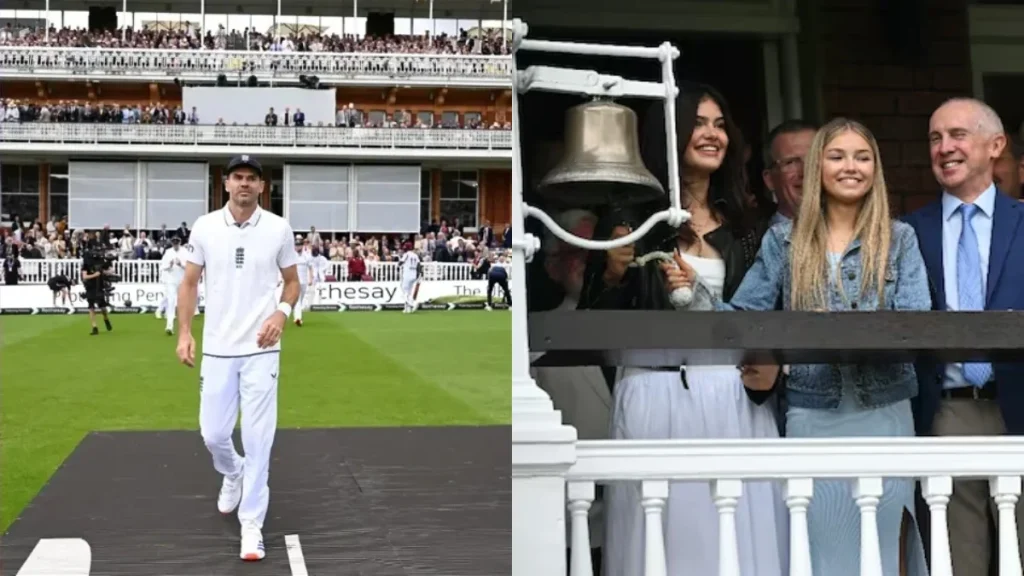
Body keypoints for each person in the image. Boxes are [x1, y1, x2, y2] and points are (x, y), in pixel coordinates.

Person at [674, 118, 931, 576]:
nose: (850, 166)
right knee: (822, 552)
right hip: (813, 415)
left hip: (886, 412)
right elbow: (745, 320)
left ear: (876, 169)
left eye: (862, 156)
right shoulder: (783, 241)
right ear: (817, 168)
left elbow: (915, 324)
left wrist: (836, 332)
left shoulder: (899, 239)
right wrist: (697, 291)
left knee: (884, 547)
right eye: (837, 156)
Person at [581, 82, 786, 576]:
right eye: (698, 123)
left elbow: (768, 311)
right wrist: (611, 273)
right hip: (656, 391)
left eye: (720, 124)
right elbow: (592, 324)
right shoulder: (630, 220)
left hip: (733, 397)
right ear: (670, 134)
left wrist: (773, 363)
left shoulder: (747, 226)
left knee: (736, 539)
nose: (712, 134)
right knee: (664, 541)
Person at [903, 97, 1024, 576]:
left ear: (996, 146)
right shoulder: (908, 231)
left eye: (957, 135)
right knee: (960, 563)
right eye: (935, 138)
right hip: (948, 409)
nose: (944, 148)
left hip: (1021, 400)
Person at [175, 154, 301, 562]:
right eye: (238, 178)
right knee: (213, 433)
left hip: (263, 349)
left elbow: (293, 282)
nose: (244, 184)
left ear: (262, 186)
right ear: (225, 184)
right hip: (217, 347)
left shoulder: (279, 228)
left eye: (252, 178)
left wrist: (281, 314)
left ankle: (252, 525)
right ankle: (232, 471)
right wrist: (184, 333)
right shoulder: (206, 226)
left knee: (260, 439)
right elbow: (190, 282)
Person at [763, 119, 818, 225]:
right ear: (769, 180)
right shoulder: (756, 239)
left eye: (814, 160)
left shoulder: (855, 232)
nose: (806, 172)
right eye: (791, 162)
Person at [80, 249, 113, 336]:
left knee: (103, 308)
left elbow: (110, 271)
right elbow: (84, 276)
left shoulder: (101, 262)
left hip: (99, 287)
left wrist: (105, 272)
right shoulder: (85, 265)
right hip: (90, 287)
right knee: (91, 307)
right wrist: (95, 275)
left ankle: (106, 319)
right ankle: (95, 327)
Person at [159, 237, 186, 335]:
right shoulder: (168, 252)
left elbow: (189, 266)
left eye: (177, 243)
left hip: (182, 281)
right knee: (171, 302)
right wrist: (169, 266)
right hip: (171, 280)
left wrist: (181, 264)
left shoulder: (185, 252)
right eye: (174, 243)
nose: (175, 245)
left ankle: (184, 327)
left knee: (182, 304)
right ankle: (169, 326)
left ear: (180, 242)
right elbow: (162, 267)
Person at [291, 238, 312, 326]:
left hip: (304, 280)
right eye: (296, 245)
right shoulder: (292, 256)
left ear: (302, 246)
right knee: (298, 299)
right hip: (295, 280)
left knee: (300, 299)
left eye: (299, 245)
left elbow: (310, 268)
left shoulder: (306, 255)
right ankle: (298, 318)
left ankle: (294, 313)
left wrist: (310, 278)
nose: (297, 247)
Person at [399, 245, 422, 313]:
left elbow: (401, 262)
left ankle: (412, 303)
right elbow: (419, 265)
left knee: (404, 291)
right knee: (409, 292)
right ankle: (407, 309)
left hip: (407, 274)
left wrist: (399, 263)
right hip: (414, 274)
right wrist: (418, 274)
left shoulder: (406, 254)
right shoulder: (415, 255)